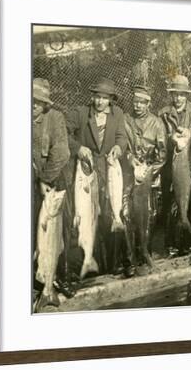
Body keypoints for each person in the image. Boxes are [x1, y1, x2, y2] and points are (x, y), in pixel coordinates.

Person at [65, 78, 135, 278]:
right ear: (92, 96)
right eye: (97, 97)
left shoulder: (117, 114)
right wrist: (78, 148)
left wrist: (118, 148)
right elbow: (65, 134)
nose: (100, 102)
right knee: (90, 216)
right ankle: (94, 264)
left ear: (111, 100)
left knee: (115, 214)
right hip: (88, 172)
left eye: (104, 98)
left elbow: (121, 137)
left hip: (111, 171)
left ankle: (123, 262)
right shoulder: (80, 113)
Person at [32, 78, 70, 307]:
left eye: (38, 102)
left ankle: (55, 281)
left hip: (51, 184)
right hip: (28, 183)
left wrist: (45, 179)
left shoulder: (55, 118)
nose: (33, 106)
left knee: (55, 236)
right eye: (30, 101)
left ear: (46, 104)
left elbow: (62, 152)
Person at [124, 85, 167, 271]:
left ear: (148, 104)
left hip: (150, 173)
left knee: (150, 214)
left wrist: (150, 172)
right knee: (128, 214)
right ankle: (130, 257)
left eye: (142, 102)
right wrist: (130, 160)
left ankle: (145, 252)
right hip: (129, 172)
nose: (138, 106)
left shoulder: (156, 123)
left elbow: (163, 154)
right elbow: (122, 145)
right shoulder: (125, 120)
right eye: (136, 102)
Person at [158, 75, 191, 256]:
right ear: (171, 95)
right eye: (175, 95)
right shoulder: (163, 114)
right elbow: (158, 138)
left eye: (182, 95)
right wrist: (170, 139)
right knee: (170, 203)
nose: (178, 98)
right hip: (170, 165)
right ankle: (171, 244)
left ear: (187, 96)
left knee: (190, 201)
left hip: (190, 164)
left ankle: (189, 241)